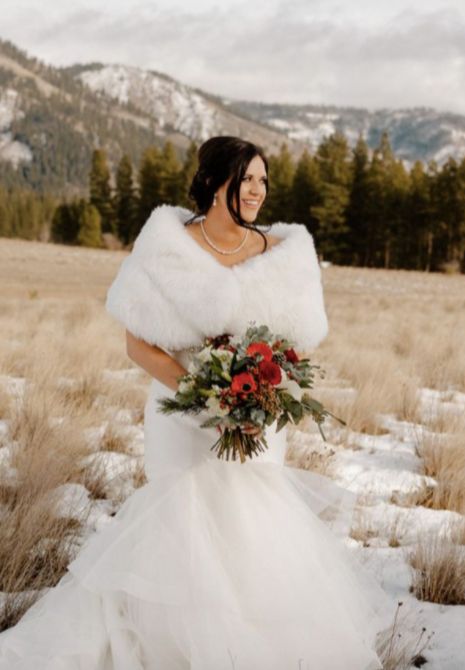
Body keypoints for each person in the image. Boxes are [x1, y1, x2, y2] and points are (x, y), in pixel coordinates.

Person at [0, 135, 396, 669]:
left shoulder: (282, 255)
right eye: (245, 179)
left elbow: (295, 347)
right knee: (182, 521)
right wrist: (203, 397)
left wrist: (258, 401)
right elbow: (137, 342)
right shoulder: (167, 248)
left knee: (249, 522)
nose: (256, 190)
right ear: (214, 183)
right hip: (180, 415)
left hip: (258, 422)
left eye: (262, 180)